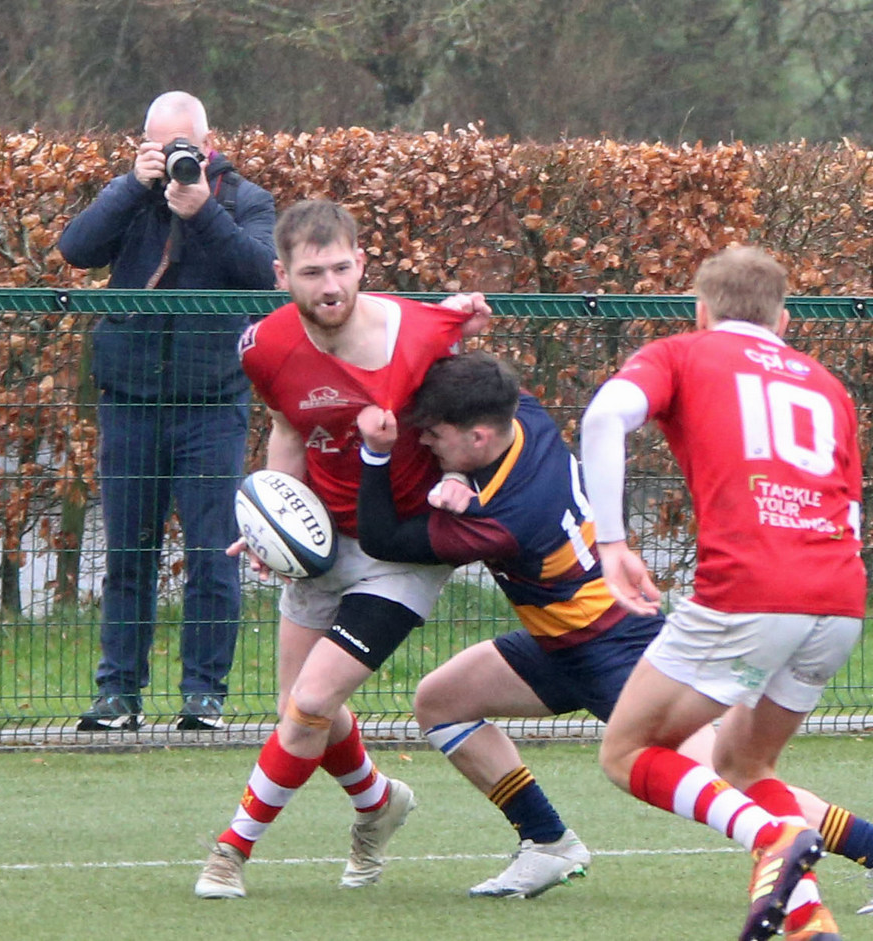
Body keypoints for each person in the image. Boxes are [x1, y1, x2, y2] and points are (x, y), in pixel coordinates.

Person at [354, 349, 873, 905]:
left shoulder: (503, 522)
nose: (424, 442)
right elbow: (461, 392)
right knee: (440, 701)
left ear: (479, 437)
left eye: (433, 434)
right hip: (559, 643)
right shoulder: (524, 414)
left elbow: (382, 540)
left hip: (616, 649)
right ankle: (547, 841)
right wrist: (456, 470)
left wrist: (377, 456)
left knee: (732, 778)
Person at [194, 198, 492, 899]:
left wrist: (456, 478)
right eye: (310, 272)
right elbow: (289, 433)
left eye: (339, 268)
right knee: (298, 708)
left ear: (362, 264)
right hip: (324, 541)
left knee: (313, 702)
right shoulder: (263, 347)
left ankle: (230, 852)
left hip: (405, 551)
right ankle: (378, 800)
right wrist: (274, 518)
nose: (328, 285)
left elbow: (479, 413)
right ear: (281, 275)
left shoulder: (421, 330)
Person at [580, 246, 865, 941]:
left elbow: (601, 418)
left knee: (626, 751)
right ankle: (807, 918)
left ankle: (769, 835)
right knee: (745, 760)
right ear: (785, 319)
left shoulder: (683, 352)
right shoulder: (827, 385)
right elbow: (849, 508)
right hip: (839, 599)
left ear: (700, 311)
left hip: (750, 590)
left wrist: (612, 542)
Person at [58, 91, 277, 732]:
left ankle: (203, 695)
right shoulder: (127, 197)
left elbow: (261, 275)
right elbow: (77, 249)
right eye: (161, 145)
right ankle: (118, 695)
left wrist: (203, 211)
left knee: (214, 554)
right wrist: (133, 186)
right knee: (129, 551)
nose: (177, 157)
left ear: (210, 146)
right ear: (143, 143)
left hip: (211, 403)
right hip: (130, 400)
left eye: (187, 147)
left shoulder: (244, 200)